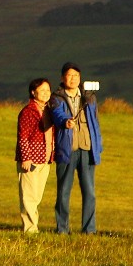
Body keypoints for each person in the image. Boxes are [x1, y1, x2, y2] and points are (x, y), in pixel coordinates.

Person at [44, 61, 101, 234]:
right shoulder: (56, 98)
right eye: (69, 75)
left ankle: (89, 230)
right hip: (66, 149)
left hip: (87, 149)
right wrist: (64, 122)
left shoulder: (89, 97)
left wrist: (98, 146)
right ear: (62, 78)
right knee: (63, 192)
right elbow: (57, 114)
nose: (73, 79)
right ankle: (62, 229)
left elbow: (95, 122)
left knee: (89, 192)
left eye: (76, 75)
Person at [14, 77, 54, 233]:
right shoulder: (28, 111)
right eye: (42, 90)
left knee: (36, 196)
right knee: (28, 195)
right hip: (30, 159)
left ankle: (32, 226)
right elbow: (22, 136)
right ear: (33, 92)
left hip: (45, 158)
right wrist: (25, 158)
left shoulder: (48, 110)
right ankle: (30, 229)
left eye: (48, 90)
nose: (45, 93)